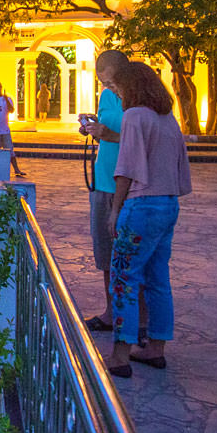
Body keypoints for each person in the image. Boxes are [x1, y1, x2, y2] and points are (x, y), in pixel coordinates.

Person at [103, 61, 192, 379]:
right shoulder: (168, 118)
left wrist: (115, 209)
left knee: (124, 279)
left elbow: (126, 167)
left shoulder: (135, 116)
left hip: (140, 207)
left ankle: (120, 355)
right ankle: (156, 347)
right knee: (157, 279)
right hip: (167, 205)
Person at [79, 50, 131, 335]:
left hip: (130, 183)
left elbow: (140, 137)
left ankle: (137, 320)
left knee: (131, 255)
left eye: (111, 83)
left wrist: (110, 134)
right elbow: (107, 124)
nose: (108, 88)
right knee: (106, 254)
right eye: (103, 83)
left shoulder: (140, 99)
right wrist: (92, 128)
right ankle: (111, 312)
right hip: (103, 180)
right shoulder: (107, 96)